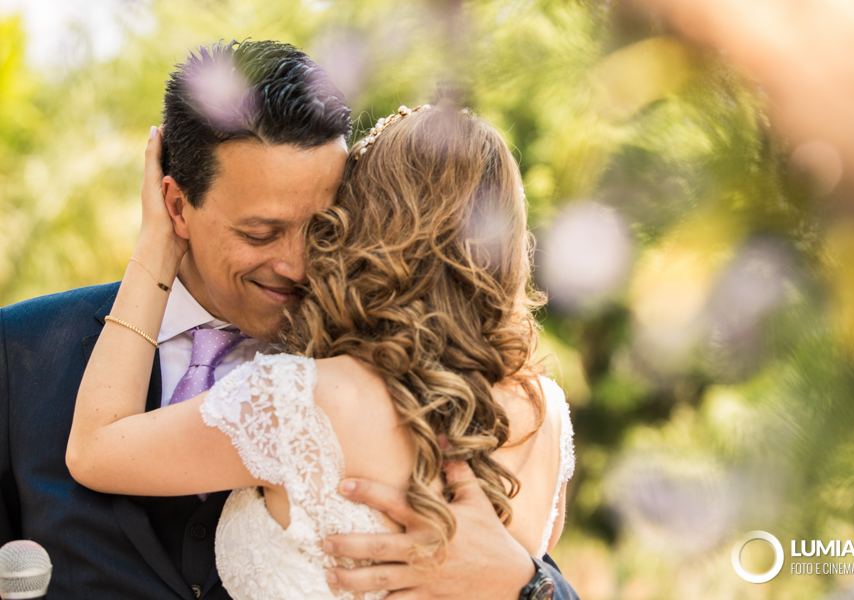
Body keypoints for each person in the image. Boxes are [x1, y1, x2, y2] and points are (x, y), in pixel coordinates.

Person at [0, 40, 579, 600]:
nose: (298, 264)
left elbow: (517, 572)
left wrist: (527, 585)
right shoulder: (21, 349)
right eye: (261, 232)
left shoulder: (339, 383)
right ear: (176, 206)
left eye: (326, 228)